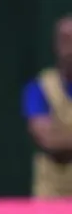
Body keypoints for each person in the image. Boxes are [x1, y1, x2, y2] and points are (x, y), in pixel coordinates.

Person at [22, 14, 72, 197]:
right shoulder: (39, 88)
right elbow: (48, 140)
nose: (70, 49)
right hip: (52, 197)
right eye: (65, 41)